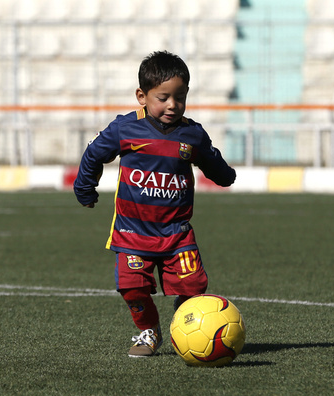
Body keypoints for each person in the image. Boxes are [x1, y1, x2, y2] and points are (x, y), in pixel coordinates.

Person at [74, 51, 236, 358]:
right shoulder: (125, 128)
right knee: (131, 287)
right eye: (163, 98)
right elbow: (94, 153)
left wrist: (225, 176)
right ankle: (148, 331)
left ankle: (185, 323)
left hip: (176, 233)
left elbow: (212, 161)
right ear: (142, 96)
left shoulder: (192, 134)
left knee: (194, 288)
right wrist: (85, 189)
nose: (172, 105)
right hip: (132, 232)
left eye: (180, 97)